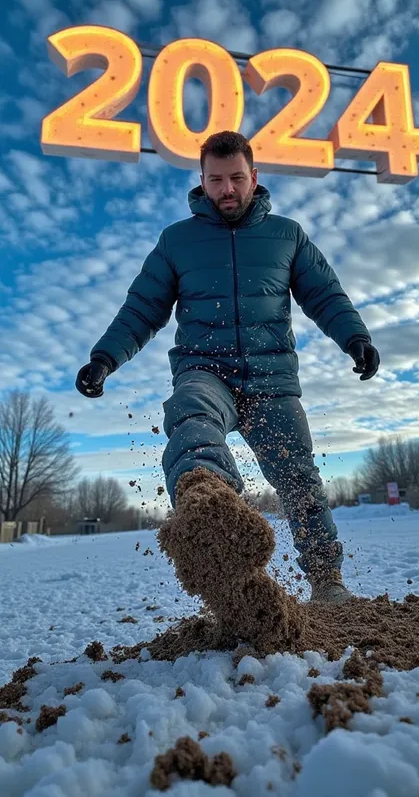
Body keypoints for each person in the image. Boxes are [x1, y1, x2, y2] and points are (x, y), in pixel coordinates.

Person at [76, 131, 380, 604]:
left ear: (254, 177)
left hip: (271, 380)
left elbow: (324, 293)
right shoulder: (177, 241)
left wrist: (355, 337)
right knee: (191, 411)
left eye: (236, 178)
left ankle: (327, 580)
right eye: (216, 180)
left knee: (298, 475)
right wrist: (104, 357)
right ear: (202, 180)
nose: (227, 190)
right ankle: (209, 507)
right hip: (206, 370)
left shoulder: (287, 235)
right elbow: (142, 308)